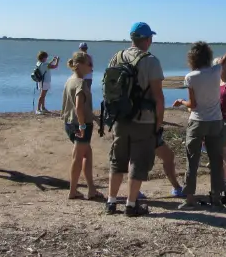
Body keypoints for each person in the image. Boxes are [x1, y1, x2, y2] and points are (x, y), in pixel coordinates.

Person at [105, 22, 165, 217]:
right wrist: (159, 123)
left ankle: (111, 202)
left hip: (120, 118)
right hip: (144, 119)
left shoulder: (116, 57)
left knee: (117, 159)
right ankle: (131, 205)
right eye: (150, 38)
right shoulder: (151, 61)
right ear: (147, 40)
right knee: (138, 162)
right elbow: (158, 97)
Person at [172, 37, 226, 210]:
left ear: (192, 59)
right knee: (216, 161)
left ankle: (190, 199)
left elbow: (193, 105)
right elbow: (224, 59)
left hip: (197, 122)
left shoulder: (190, 77)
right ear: (208, 56)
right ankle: (216, 199)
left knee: (192, 160)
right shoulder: (216, 71)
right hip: (216, 122)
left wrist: (180, 101)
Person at [61, 51, 104, 201]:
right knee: (78, 157)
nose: (92, 67)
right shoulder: (80, 83)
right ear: (79, 65)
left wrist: (95, 118)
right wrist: (82, 126)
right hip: (79, 125)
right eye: (89, 64)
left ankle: (91, 189)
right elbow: (79, 107)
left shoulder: (70, 80)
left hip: (70, 123)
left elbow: (82, 108)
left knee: (87, 155)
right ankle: (73, 191)